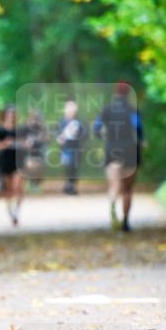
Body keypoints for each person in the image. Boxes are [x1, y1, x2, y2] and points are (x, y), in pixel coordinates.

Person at [93, 81, 143, 232]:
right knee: (128, 189)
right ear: (127, 94)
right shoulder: (132, 110)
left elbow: (96, 128)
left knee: (114, 185)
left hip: (112, 150)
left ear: (115, 94)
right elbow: (138, 127)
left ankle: (112, 207)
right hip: (129, 150)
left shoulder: (106, 110)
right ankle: (126, 222)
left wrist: (103, 134)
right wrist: (141, 141)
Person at [0, 105, 25, 225]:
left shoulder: (20, 129)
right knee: (9, 189)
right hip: (4, 161)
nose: (11, 116)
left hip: (18, 161)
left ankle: (16, 211)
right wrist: (5, 144)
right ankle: (11, 212)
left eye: (13, 114)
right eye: (9, 114)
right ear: (4, 115)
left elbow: (26, 144)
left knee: (17, 187)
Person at [56, 99, 86, 195]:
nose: (71, 112)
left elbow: (84, 135)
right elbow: (58, 136)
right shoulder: (62, 122)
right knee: (68, 166)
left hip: (76, 149)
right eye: (69, 109)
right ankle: (68, 185)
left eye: (73, 110)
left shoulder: (79, 122)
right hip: (65, 149)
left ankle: (71, 186)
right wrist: (60, 139)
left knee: (74, 167)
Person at [23, 109, 47, 190]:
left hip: (39, 152)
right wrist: (26, 142)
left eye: (36, 117)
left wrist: (42, 138)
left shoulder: (42, 128)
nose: (35, 119)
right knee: (29, 167)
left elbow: (47, 139)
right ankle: (30, 183)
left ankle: (36, 184)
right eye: (33, 117)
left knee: (38, 168)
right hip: (29, 153)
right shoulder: (26, 127)